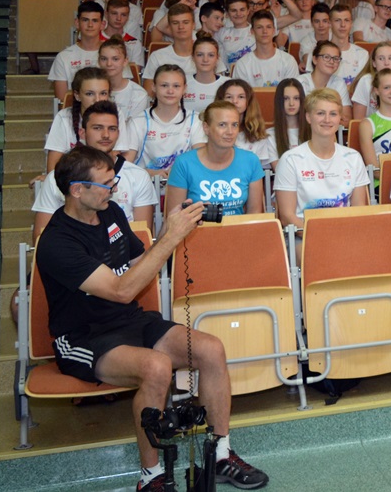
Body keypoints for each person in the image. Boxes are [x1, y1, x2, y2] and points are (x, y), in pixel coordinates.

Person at [36, 146, 268, 492]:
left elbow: (139, 263)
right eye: (105, 184)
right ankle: (151, 476)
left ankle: (220, 454)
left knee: (211, 349)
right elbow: (121, 290)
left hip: (130, 321)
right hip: (83, 337)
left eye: (114, 182)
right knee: (156, 367)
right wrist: (171, 237)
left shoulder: (110, 212)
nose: (114, 189)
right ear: (77, 190)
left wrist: (169, 230)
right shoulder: (57, 241)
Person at [32, 101, 157, 240]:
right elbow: (41, 237)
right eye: (97, 128)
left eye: (112, 129)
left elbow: (142, 237)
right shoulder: (56, 177)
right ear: (82, 133)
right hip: (72, 249)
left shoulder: (138, 176)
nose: (106, 135)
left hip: (122, 250)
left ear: (119, 133)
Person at [273, 89, 371, 232]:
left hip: (346, 233)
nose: (327, 120)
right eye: (320, 113)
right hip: (305, 236)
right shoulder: (290, 160)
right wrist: (320, 237)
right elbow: (287, 217)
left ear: (340, 118)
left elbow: (359, 209)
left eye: (333, 114)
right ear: (308, 117)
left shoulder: (353, 157)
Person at [165, 101, 265, 218]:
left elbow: (254, 214)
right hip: (197, 229)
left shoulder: (251, 161)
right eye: (222, 125)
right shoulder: (184, 163)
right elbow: (174, 218)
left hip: (239, 228)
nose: (230, 132)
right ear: (206, 128)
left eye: (234, 125)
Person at [120, 65, 202, 178]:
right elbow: (125, 166)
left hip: (183, 185)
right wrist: (150, 173)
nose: (170, 91)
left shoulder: (195, 120)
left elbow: (201, 162)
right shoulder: (137, 122)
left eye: (176, 86)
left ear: (184, 89)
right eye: (164, 85)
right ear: (154, 87)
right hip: (146, 185)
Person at [357, 69, 391, 177]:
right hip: (382, 183)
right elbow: (375, 171)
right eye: (387, 87)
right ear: (376, 91)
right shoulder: (367, 124)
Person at [50, 1, 106, 102]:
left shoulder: (114, 54)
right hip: (76, 109)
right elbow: (63, 100)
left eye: (95, 21)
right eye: (85, 20)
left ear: (102, 24)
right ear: (77, 23)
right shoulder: (63, 57)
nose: (90, 25)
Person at [215, 79, 277, 168]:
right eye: (229, 97)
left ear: (248, 101)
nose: (234, 101)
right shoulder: (211, 130)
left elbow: (255, 170)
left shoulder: (257, 133)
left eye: (241, 97)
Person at [230, 11, 298, 89]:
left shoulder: (288, 61)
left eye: (268, 27)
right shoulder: (242, 64)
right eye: (259, 27)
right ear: (252, 31)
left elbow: (292, 92)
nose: (265, 31)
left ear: (274, 30)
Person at [350, 42, 391, 119]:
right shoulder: (365, 81)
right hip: (369, 125)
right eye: (381, 59)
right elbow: (358, 120)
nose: (386, 63)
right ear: (374, 63)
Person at [97, 37, 149, 123]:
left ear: (125, 61)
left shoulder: (139, 94)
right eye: (104, 59)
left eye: (115, 59)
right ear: (98, 61)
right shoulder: (92, 90)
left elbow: (135, 128)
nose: (109, 64)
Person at [297, 41, 351, 118]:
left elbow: (346, 118)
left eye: (336, 58)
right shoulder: (300, 82)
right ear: (315, 59)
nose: (331, 61)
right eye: (326, 57)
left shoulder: (339, 83)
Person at [184, 34, 228, 115]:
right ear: (193, 57)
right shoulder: (182, 82)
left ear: (217, 57)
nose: (205, 60)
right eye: (200, 55)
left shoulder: (227, 84)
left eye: (211, 55)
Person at [272, 78, 310, 160]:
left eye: (296, 98)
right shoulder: (271, 135)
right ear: (279, 101)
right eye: (286, 98)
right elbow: (277, 166)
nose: (291, 103)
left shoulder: (313, 132)